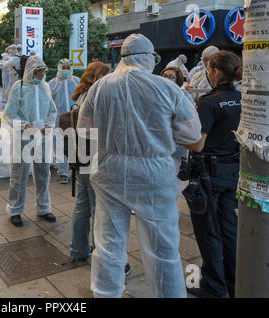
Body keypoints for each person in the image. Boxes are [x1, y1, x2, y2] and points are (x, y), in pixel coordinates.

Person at [77, 34, 202, 298]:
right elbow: (192, 136)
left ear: (123, 57)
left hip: (109, 172)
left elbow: (84, 129)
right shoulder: (169, 89)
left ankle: (105, 294)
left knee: (108, 243)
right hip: (155, 176)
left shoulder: (100, 87)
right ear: (148, 57)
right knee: (163, 248)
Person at [184, 51, 242, 298]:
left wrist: (179, 136)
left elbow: (198, 144)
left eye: (209, 70)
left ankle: (213, 285)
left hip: (209, 174)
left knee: (208, 229)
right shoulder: (241, 98)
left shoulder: (209, 102)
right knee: (229, 228)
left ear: (216, 71)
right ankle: (233, 281)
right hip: (233, 171)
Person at [69, 61, 133, 274]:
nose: (110, 78)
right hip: (93, 158)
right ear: (95, 76)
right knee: (98, 208)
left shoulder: (80, 95)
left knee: (83, 205)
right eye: (106, 74)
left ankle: (78, 249)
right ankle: (102, 255)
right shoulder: (96, 96)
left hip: (82, 157)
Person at [4, 56, 58, 227]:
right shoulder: (18, 87)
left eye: (43, 72)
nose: (42, 75)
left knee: (43, 173)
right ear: (31, 71)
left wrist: (49, 125)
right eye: (39, 72)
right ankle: (15, 209)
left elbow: (52, 111)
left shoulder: (46, 87)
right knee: (19, 174)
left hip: (42, 137)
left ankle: (43, 208)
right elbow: (10, 113)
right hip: (23, 137)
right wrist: (24, 125)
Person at [160, 66, 195, 196]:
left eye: (171, 76)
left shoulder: (183, 95)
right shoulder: (156, 93)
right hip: (158, 146)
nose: (167, 78)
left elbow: (191, 118)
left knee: (171, 183)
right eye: (164, 75)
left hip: (176, 147)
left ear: (178, 80)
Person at [49, 59, 80, 184]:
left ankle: (75, 170)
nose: (66, 70)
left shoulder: (77, 81)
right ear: (59, 68)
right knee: (60, 145)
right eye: (64, 68)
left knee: (75, 144)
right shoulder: (52, 83)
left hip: (74, 118)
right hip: (59, 119)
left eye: (68, 68)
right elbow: (48, 102)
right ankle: (63, 172)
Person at [0, 45, 12, 110]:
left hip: (6, 74)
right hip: (7, 74)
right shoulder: (7, 56)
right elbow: (5, 65)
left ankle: (4, 105)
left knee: (6, 89)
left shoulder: (8, 57)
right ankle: (5, 105)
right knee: (6, 89)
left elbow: (4, 64)